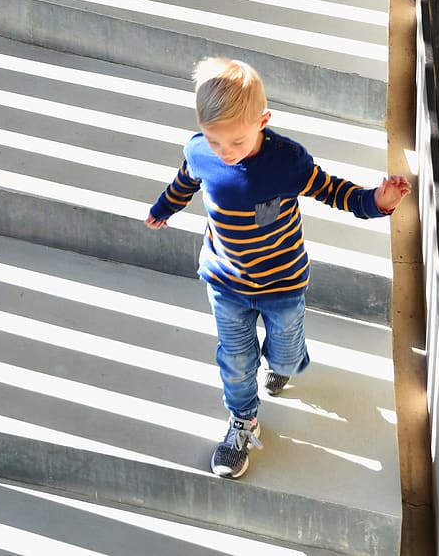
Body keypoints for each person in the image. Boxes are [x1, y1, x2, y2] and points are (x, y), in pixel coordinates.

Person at [145, 57, 411, 479]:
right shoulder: (201, 151)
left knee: (285, 354)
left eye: (236, 142)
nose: (225, 153)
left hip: (282, 283)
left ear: (262, 121)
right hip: (225, 279)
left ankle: (283, 364)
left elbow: (331, 190)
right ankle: (242, 421)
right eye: (216, 142)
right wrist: (164, 208)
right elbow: (185, 180)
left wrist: (375, 202)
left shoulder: (287, 162)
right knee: (235, 358)